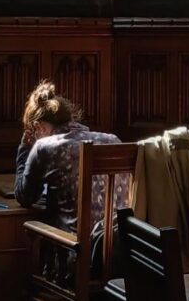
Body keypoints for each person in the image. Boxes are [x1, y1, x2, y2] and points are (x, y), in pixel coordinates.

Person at [14, 80, 130, 282]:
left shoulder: (44, 148)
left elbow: (24, 196)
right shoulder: (112, 140)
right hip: (121, 257)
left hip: (75, 259)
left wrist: (24, 149)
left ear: (38, 127)